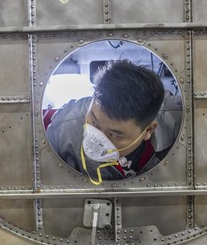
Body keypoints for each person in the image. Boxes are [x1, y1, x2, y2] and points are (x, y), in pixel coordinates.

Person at [46, 60, 182, 184]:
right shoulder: (61, 132)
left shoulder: (177, 125)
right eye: (93, 122)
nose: (97, 138)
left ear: (148, 131)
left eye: (114, 134)